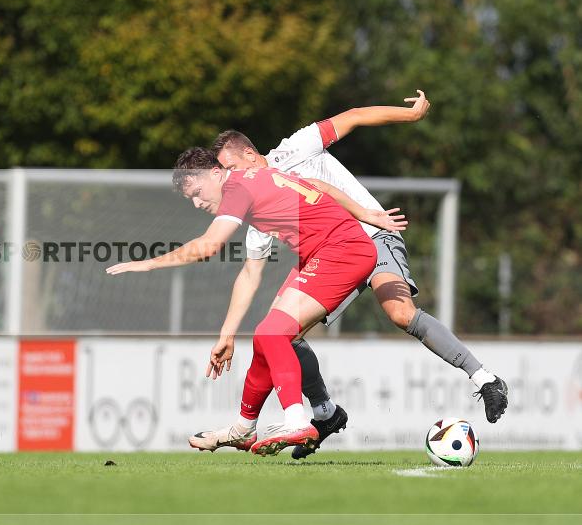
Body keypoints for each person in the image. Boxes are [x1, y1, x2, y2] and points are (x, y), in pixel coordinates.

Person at [206, 90, 508, 459]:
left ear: (250, 155)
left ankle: (486, 380)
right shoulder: (254, 209)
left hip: (373, 236)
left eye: (232, 169)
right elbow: (250, 273)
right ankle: (325, 413)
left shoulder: (294, 149)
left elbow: (353, 116)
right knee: (280, 331)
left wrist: (409, 116)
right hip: (328, 259)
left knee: (400, 314)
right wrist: (228, 333)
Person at [107, 148, 407, 456]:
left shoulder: (236, 188)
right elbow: (319, 188)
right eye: (190, 199)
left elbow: (208, 246)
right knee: (266, 338)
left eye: (197, 193)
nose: (197, 203)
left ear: (215, 173)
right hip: (325, 252)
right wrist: (227, 334)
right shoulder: (256, 178)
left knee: (273, 333)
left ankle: (295, 421)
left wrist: (147, 264)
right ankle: (243, 429)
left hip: (342, 251)